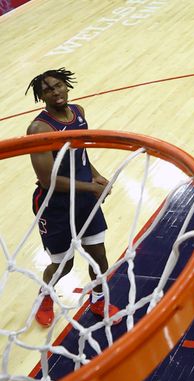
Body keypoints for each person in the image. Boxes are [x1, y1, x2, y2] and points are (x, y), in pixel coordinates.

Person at [26, 68, 120, 327]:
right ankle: (45, 298)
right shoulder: (39, 128)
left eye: (58, 86)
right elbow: (48, 180)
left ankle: (98, 300)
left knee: (98, 256)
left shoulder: (78, 112)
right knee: (63, 265)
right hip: (54, 206)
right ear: (41, 96)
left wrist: (96, 175)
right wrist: (92, 188)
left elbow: (80, 155)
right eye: (48, 90)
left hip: (83, 202)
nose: (55, 92)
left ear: (67, 85)